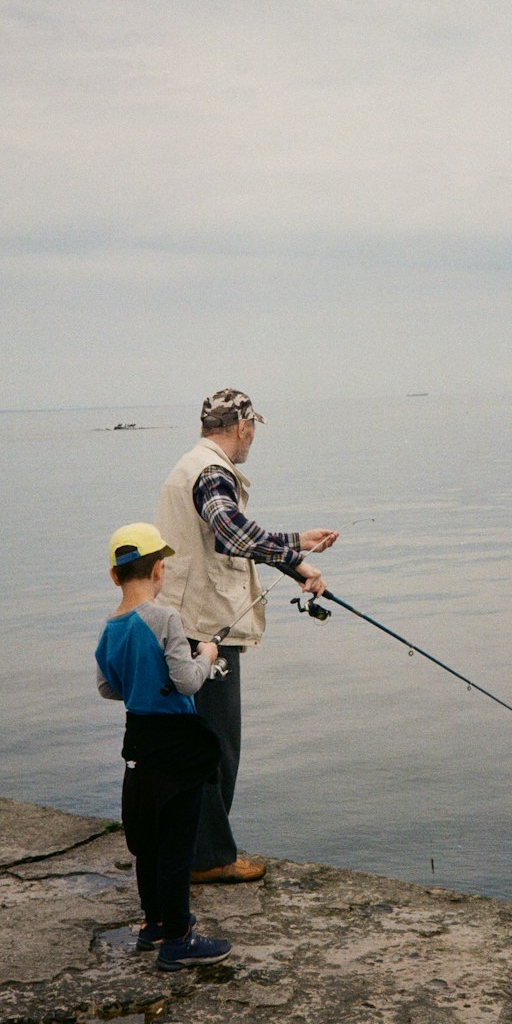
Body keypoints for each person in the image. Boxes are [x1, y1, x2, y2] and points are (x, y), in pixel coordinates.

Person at [156, 388, 338, 884]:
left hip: (188, 623)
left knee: (199, 742)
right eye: (252, 429)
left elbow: (230, 540)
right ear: (241, 427)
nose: (252, 438)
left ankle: (190, 847)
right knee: (216, 744)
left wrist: (297, 566)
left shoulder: (192, 464)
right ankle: (209, 857)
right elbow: (232, 534)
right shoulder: (213, 473)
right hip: (203, 630)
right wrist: (298, 540)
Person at [95, 522, 232, 970]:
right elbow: (187, 680)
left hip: (139, 742)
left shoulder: (111, 626)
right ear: (159, 571)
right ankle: (179, 939)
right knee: (177, 844)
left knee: (149, 841)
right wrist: (208, 656)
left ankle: (154, 925)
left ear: (115, 577)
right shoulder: (167, 618)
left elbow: (107, 688)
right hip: (176, 745)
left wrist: (142, 685)